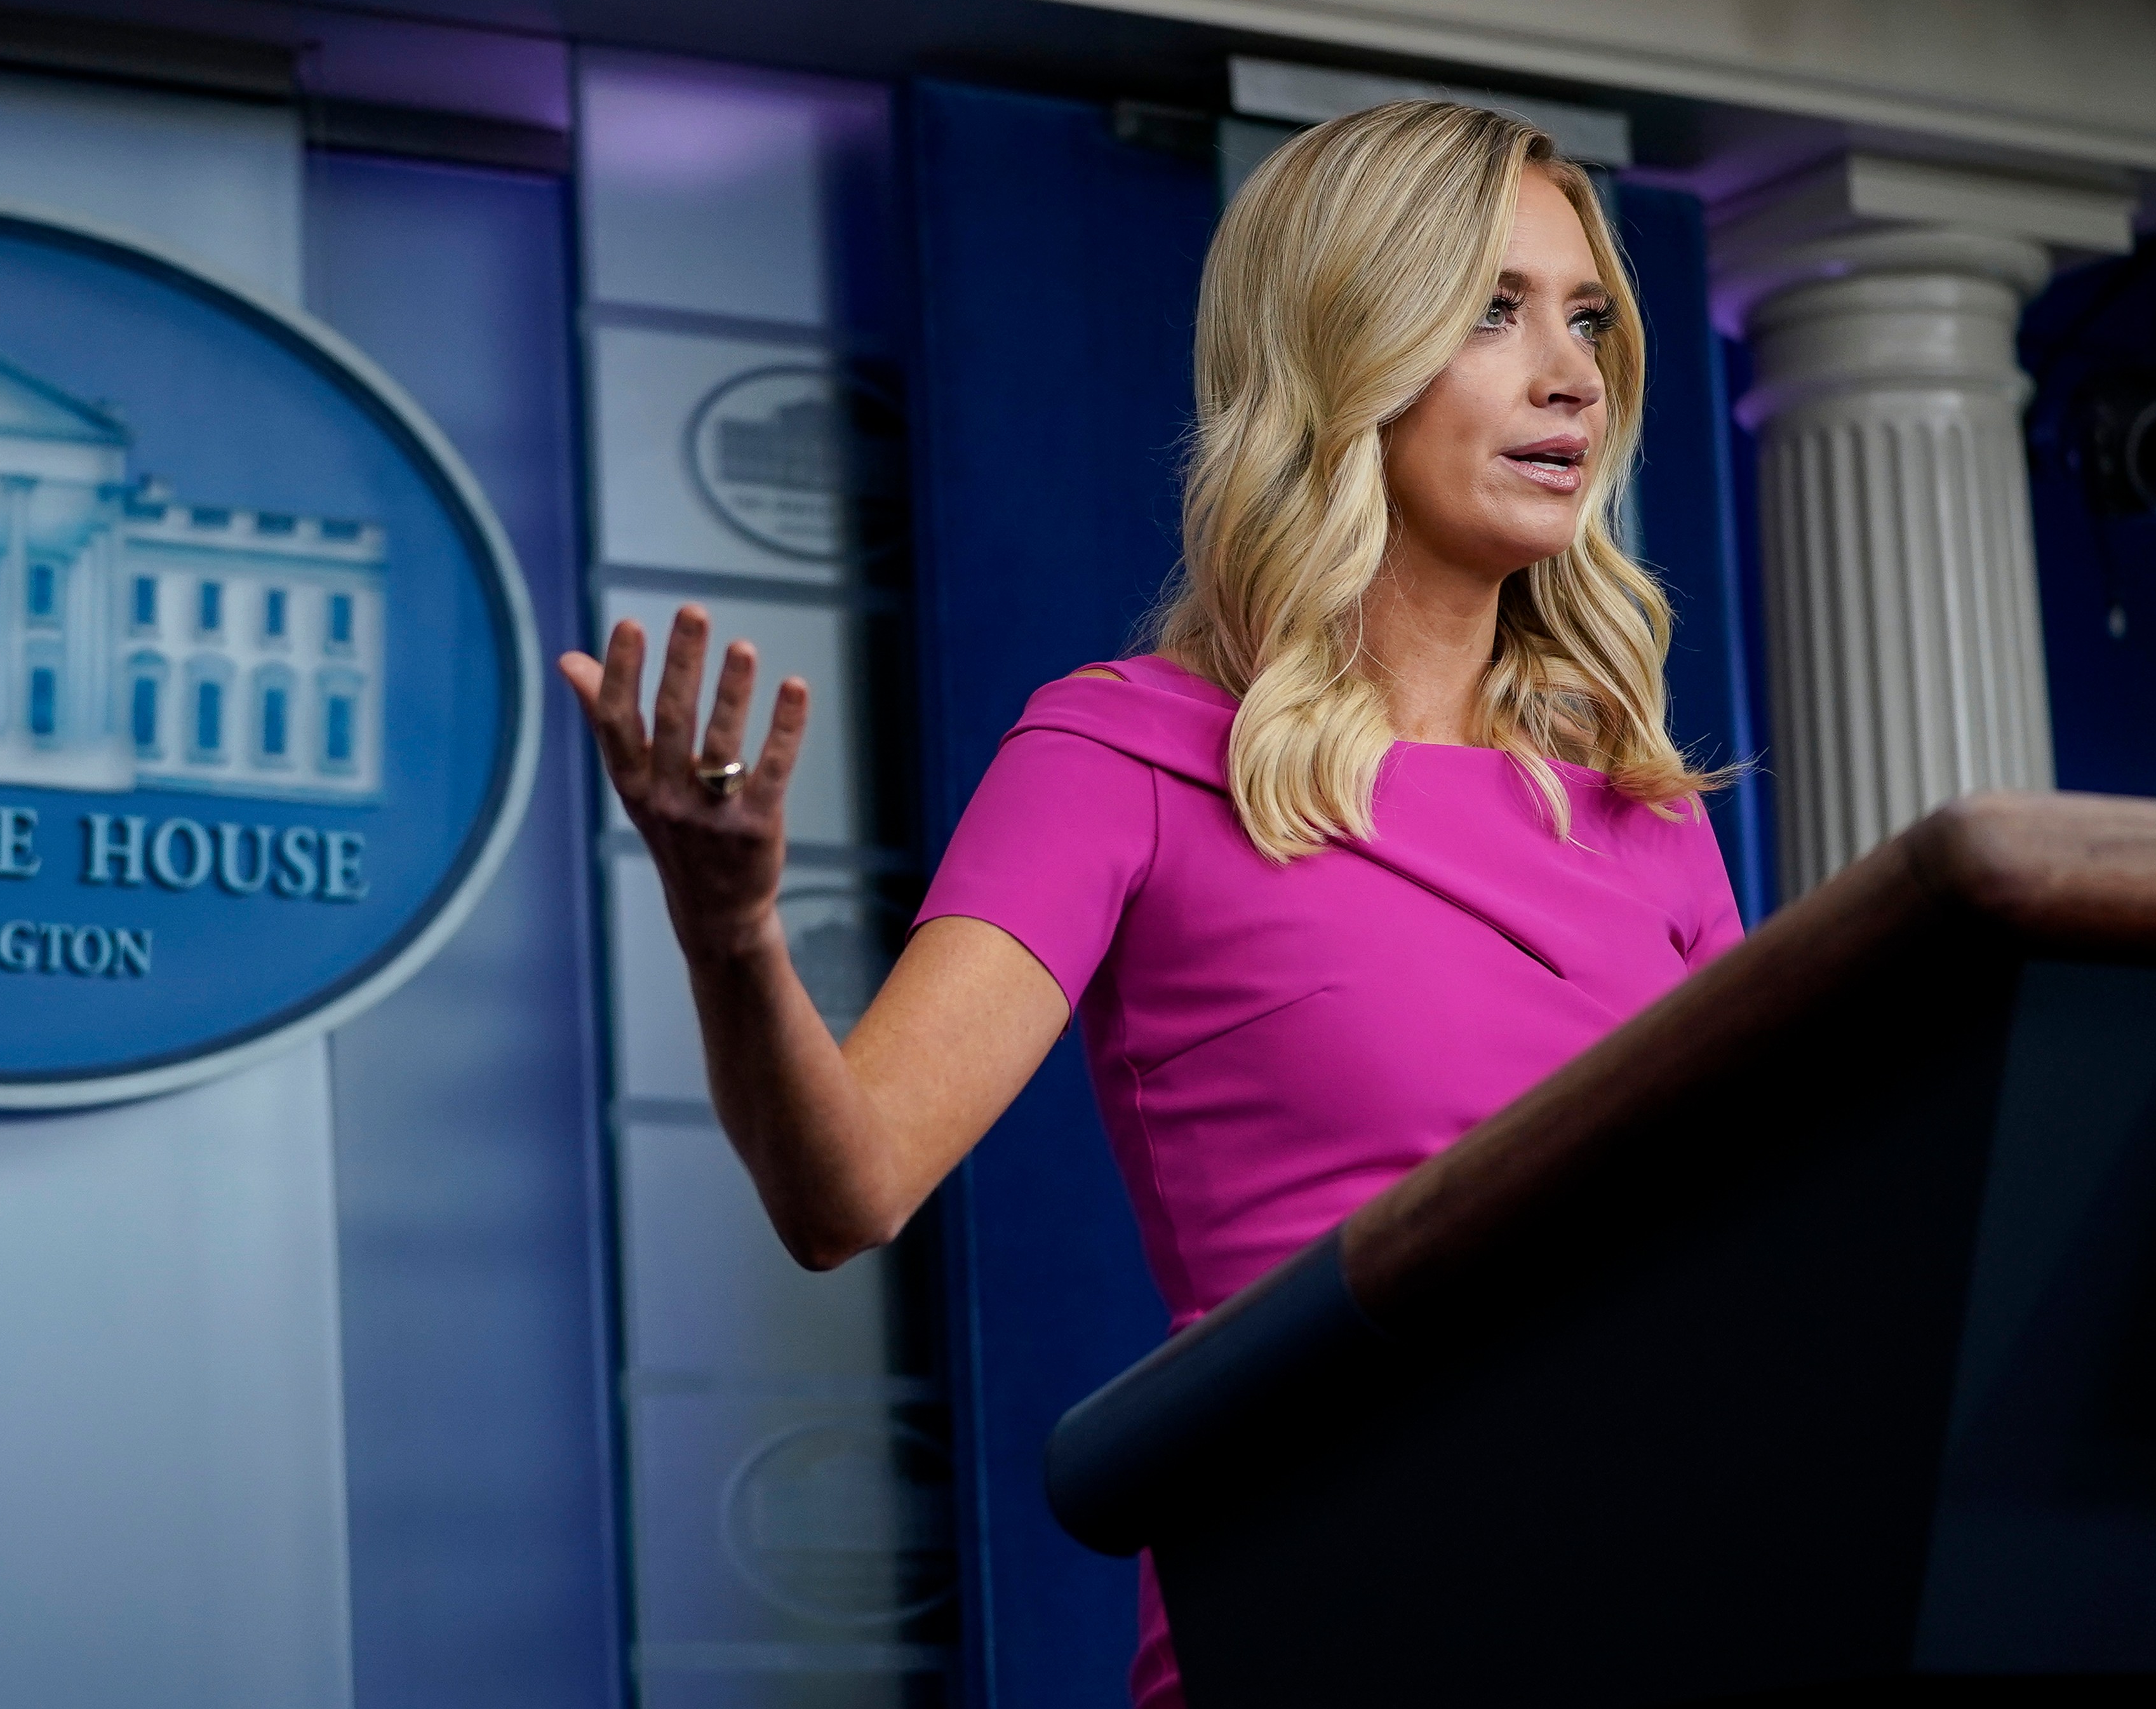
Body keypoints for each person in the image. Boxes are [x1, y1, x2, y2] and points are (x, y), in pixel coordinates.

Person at [558, 99, 1744, 1705]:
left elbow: (1775, 1244)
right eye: (1490, 310)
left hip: (1669, 1608)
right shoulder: (1121, 752)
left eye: (1585, 317)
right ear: (1344, 346)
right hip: (1321, 1618)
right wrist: (729, 932)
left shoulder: (1644, 812)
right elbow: (846, 1190)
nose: (1569, 377)